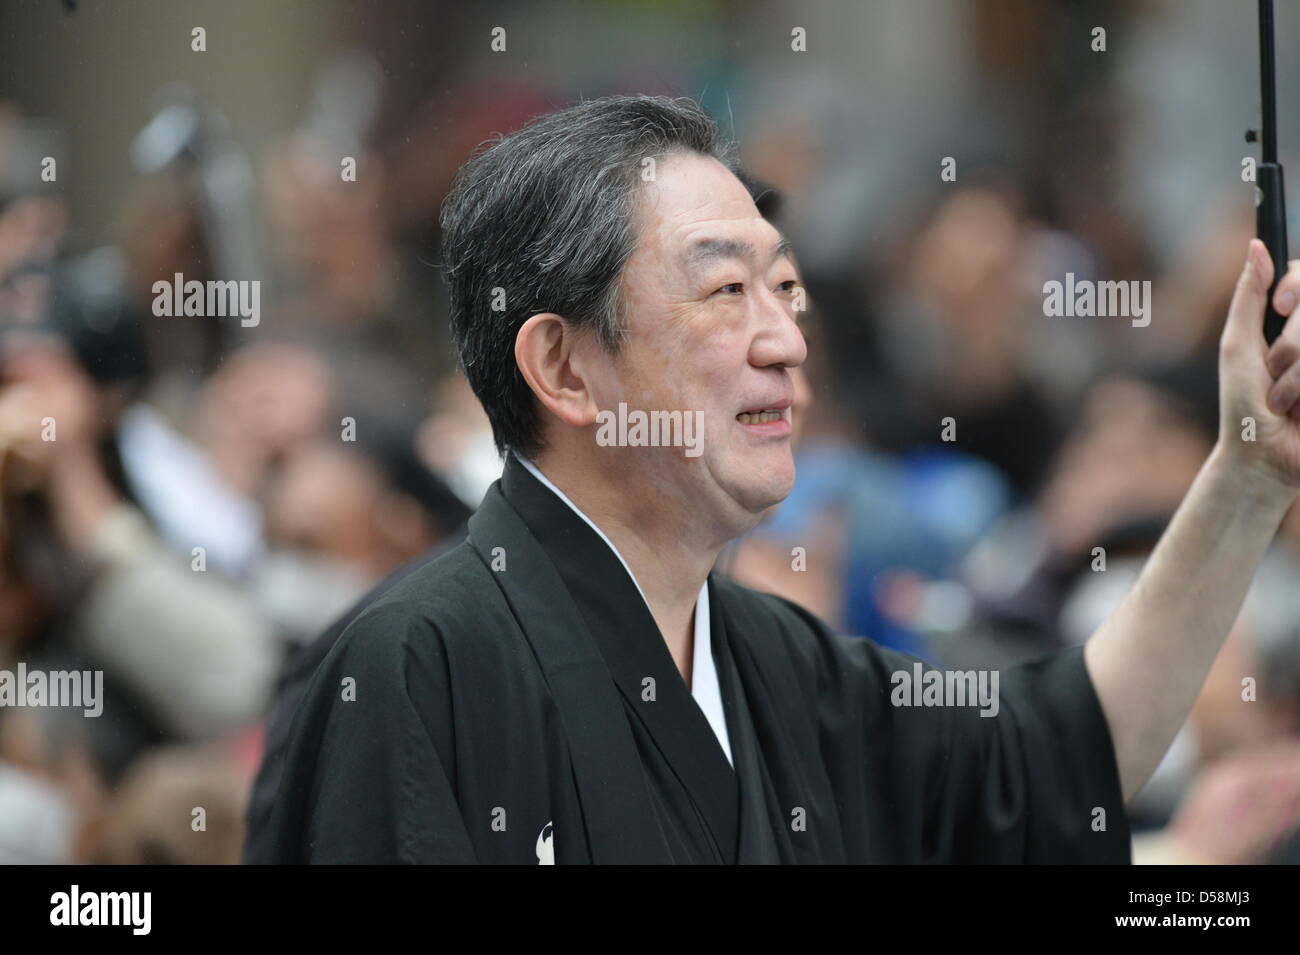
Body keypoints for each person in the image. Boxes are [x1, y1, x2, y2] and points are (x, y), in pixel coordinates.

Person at [255, 95, 1300, 864]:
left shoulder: (779, 665)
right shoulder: (415, 666)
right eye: (723, 289)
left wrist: (1247, 473)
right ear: (564, 366)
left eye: (785, 286)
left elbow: (1062, 755)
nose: (784, 339)